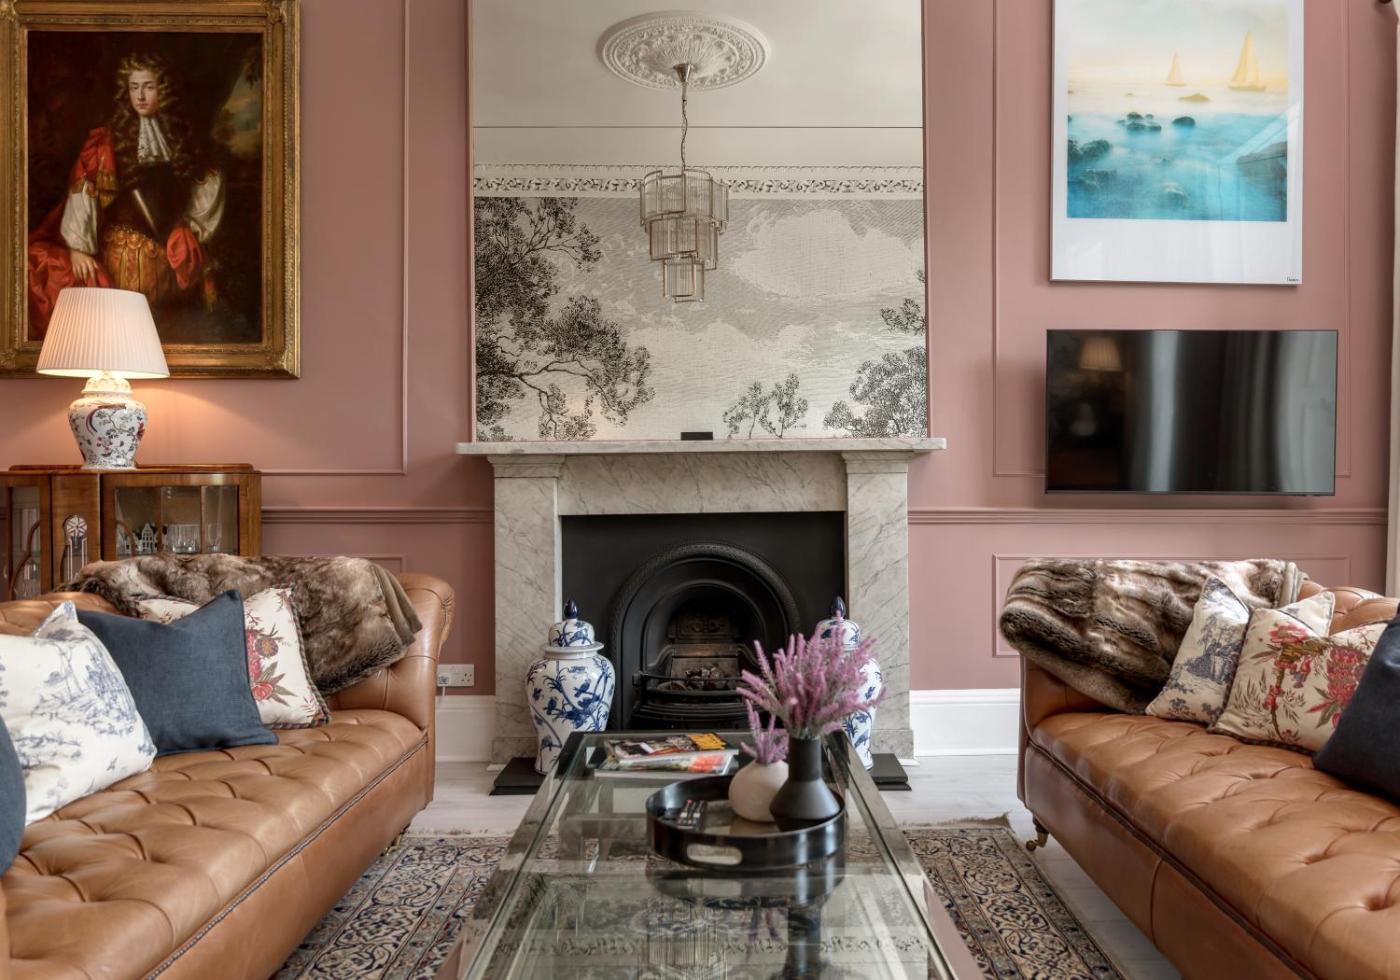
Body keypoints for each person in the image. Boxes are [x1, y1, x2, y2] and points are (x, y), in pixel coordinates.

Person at [27, 51, 224, 337]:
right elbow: (84, 192)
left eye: (148, 87)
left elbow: (206, 187)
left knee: (165, 331)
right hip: (119, 259)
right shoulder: (107, 143)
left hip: (166, 264)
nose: (140, 96)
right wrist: (78, 248)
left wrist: (189, 231)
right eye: (134, 88)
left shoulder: (182, 141)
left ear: (164, 90)